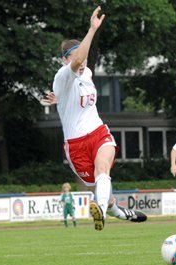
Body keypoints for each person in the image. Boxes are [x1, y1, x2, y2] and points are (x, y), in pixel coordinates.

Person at [51, 6, 146, 231]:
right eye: (73, 56)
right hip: (75, 145)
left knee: (103, 170)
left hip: (98, 133)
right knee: (106, 193)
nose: (80, 60)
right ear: (64, 60)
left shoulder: (88, 74)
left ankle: (100, 209)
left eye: (80, 54)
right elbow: (78, 61)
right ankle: (118, 211)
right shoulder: (62, 77)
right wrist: (92, 30)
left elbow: (82, 62)